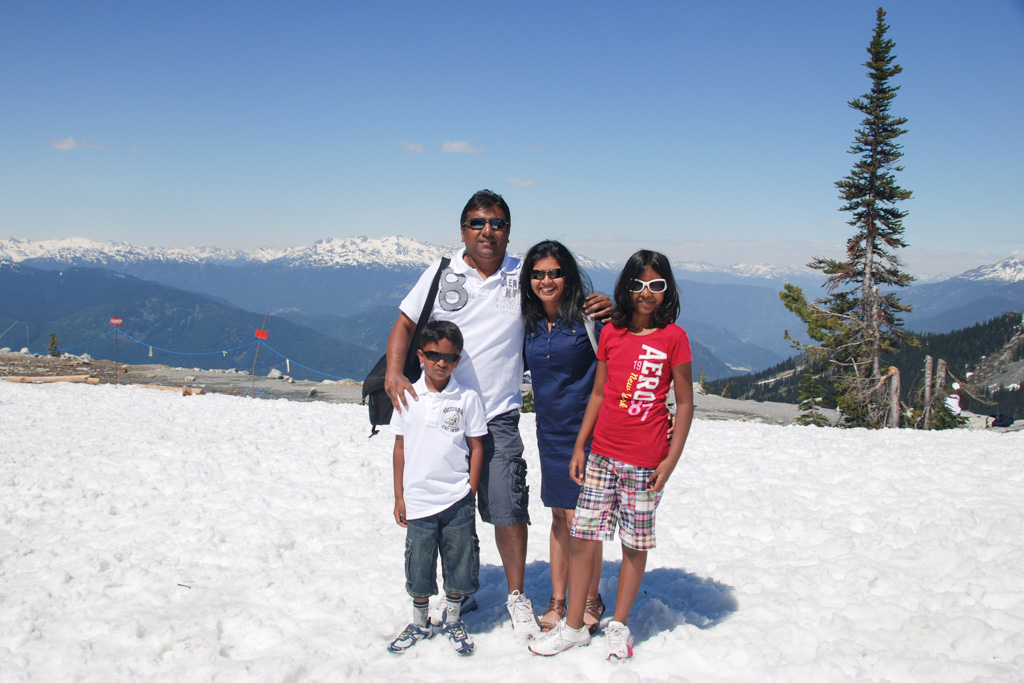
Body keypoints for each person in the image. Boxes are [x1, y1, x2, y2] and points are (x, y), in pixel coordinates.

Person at [384, 189, 611, 635]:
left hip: (498, 413)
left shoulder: (523, 274)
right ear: (463, 229)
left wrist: (601, 306)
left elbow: (557, 300)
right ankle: (460, 588)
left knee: (508, 507)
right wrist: (395, 372)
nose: (487, 231)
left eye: (497, 223)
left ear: (509, 230)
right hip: (442, 411)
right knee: (449, 505)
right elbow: (406, 323)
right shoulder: (440, 272)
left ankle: (515, 594)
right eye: (477, 223)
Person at [529, 249, 695, 661]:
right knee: (584, 535)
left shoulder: (674, 337)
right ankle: (573, 627)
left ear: (668, 289)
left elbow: (686, 403)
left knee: (633, 543)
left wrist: (670, 461)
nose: (646, 292)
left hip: (645, 458)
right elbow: (600, 393)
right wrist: (581, 446)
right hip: (601, 452)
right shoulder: (613, 334)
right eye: (638, 284)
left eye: (656, 285)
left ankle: (617, 623)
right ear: (627, 287)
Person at [519, 240, 605, 633]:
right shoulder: (530, 323)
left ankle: (589, 599)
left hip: (587, 431)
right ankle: (558, 598)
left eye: (554, 272)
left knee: (581, 519)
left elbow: (625, 358)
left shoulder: (590, 319)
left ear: (567, 276)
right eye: (538, 274)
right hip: (549, 432)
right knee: (558, 514)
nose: (546, 280)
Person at [387, 320, 487, 656]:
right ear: (420, 356)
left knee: (460, 560)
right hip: (418, 498)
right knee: (419, 563)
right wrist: (400, 495)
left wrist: (471, 485)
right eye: (433, 355)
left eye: (450, 356)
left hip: (456, 496)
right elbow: (400, 447)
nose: (441, 362)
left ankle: (454, 617)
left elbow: (476, 444)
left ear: (458, 359)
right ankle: (419, 621)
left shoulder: (467, 397)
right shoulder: (407, 397)